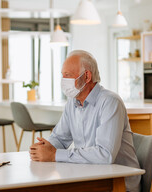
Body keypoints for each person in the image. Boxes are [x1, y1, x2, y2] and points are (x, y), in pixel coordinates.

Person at [29, 50, 141, 192]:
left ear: (87, 76)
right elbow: (60, 138)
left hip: (119, 183)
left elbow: (105, 155)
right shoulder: (72, 103)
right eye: (62, 76)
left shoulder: (110, 102)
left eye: (67, 75)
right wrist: (45, 148)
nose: (63, 81)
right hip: (90, 176)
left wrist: (55, 154)